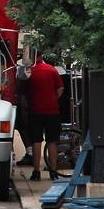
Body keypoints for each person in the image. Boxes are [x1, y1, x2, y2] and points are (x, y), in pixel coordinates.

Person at [26, 52, 65, 181]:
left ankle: (36, 172)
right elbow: (60, 89)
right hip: (52, 111)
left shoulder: (30, 72)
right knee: (52, 141)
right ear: (42, 58)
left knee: (36, 141)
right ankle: (53, 172)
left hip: (35, 111)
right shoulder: (52, 70)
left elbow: (23, 94)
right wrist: (53, 98)